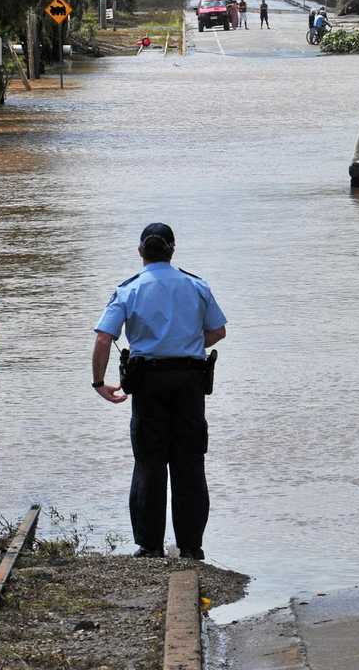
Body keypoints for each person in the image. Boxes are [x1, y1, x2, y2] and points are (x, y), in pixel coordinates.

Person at [92, 223, 227, 560]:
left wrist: (99, 382)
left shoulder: (128, 290)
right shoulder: (196, 286)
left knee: (149, 463)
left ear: (140, 252)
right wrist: (190, 344)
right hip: (190, 382)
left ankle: (149, 546)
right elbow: (218, 331)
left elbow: (103, 338)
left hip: (148, 383)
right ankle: (191, 547)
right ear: (173, 250)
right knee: (190, 464)